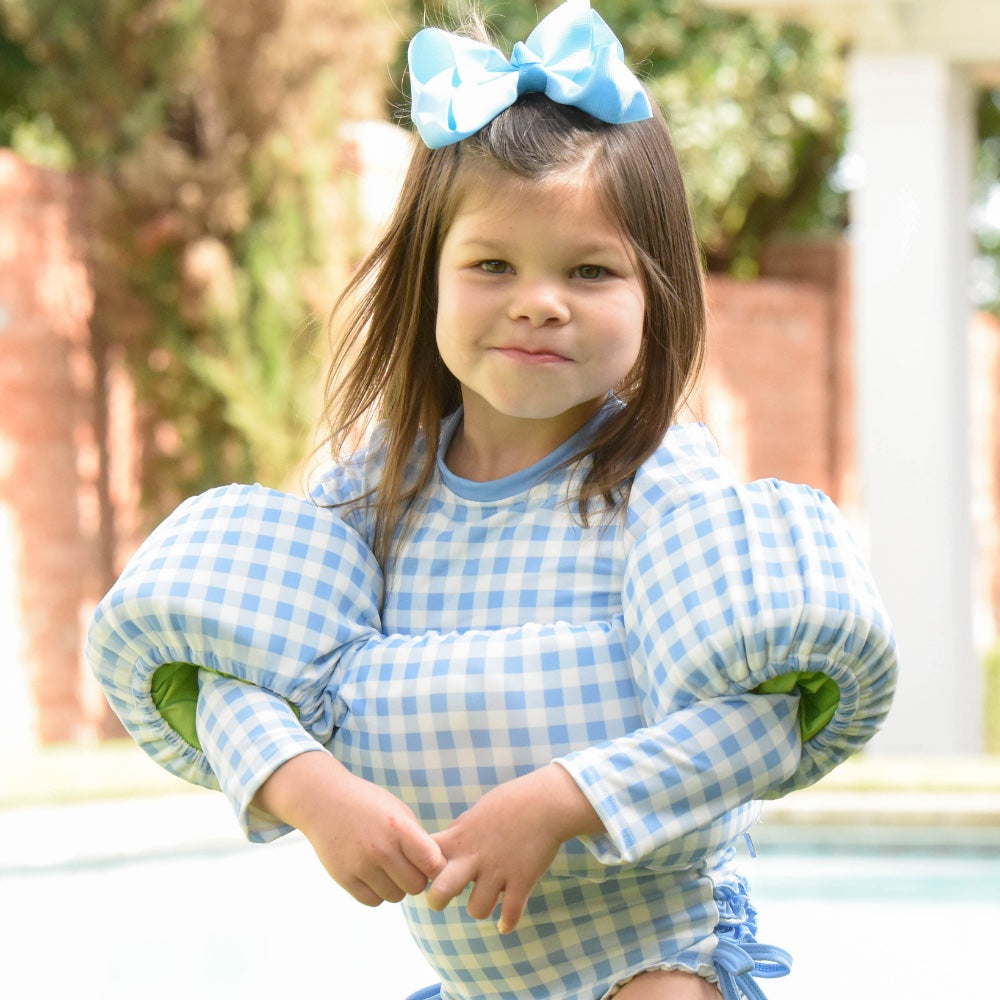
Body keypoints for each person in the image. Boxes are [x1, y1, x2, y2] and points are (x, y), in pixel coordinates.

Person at [86, 2, 898, 998]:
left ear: (657, 299)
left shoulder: (659, 483)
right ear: (426, 282)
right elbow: (219, 674)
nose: (537, 299)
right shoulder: (371, 491)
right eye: (492, 265)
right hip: (476, 975)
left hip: (645, 950)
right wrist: (310, 789)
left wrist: (565, 799)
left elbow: (766, 719)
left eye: (590, 270)